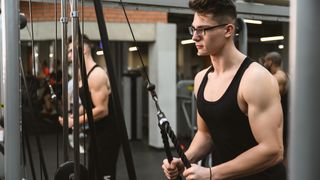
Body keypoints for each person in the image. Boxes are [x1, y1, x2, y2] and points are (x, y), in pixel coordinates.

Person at [162, 0, 286, 179]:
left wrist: (212, 173)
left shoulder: (255, 79)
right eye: (193, 29)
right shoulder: (201, 79)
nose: (195, 37)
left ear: (228, 30)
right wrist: (184, 159)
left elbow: (273, 150)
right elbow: (206, 135)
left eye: (203, 30)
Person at [59, 35, 120, 180]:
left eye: (70, 51)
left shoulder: (96, 75)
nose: (68, 55)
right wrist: (74, 115)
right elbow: (89, 105)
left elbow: (102, 110)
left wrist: (75, 122)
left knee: (104, 174)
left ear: (84, 50)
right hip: (96, 131)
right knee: (93, 171)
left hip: (108, 134)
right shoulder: (82, 75)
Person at [263, 51, 289, 162]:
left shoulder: (279, 77)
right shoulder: (280, 75)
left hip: (282, 119)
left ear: (270, 62)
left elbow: (265, 94)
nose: (264, 64)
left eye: (265, 61)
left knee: (280, 152)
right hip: (280, 118)